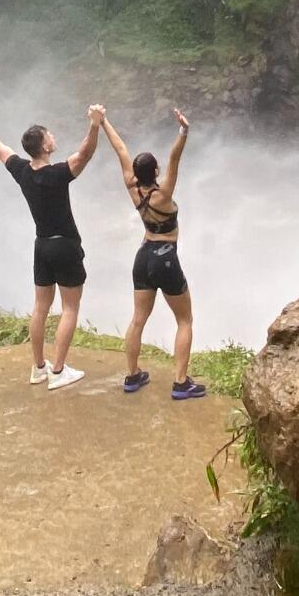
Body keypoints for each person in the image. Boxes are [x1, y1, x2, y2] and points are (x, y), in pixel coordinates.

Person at [0, 100, 101, 391]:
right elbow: (85, 153)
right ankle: (58, 371)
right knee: (70, 308)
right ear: (44, 146)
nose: (53, 136)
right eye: (49, 135)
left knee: (41, 307)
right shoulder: (57, 174)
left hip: (41, 246)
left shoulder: (22, 171)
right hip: (64, 246)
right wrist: (95, 125)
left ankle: (39, 367)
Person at [97, 106, 204, 399]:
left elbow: (120, 150)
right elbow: (175, 157)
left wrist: (103, 122)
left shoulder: (132, 189)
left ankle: (132, 375)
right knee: (185, 320)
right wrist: (184, 130)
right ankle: (181, 383)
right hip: (165, 257)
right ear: (155, 172)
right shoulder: (163, 193)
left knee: (137, 320)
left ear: (136, 172)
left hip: (143, 257)